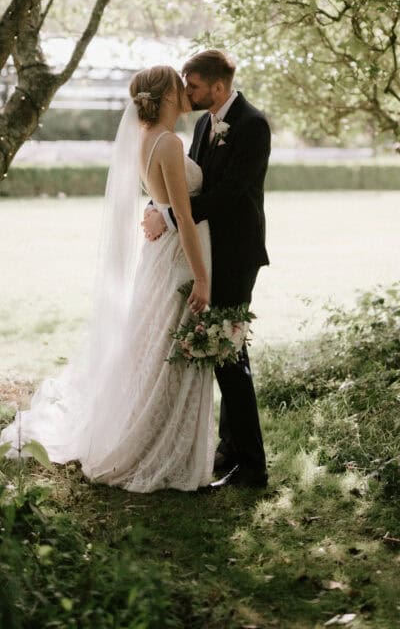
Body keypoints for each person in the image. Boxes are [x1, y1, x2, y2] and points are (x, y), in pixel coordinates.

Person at [0, 66, 215, 492]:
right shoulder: (168, 142)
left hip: (159, 255)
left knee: (154, 345)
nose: (185, 90)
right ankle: (156, 446)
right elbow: (185, 219)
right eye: (179, 84)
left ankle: (158, 433)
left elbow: (167, 206)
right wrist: (203, 280)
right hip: (176, 258)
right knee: (168, 346)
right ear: (168, 94)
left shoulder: (145, 140)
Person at [142, 49, 270, 489]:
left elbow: (231, 194)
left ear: (218, 86)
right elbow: (178, 184)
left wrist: (171, 216)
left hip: (236, 253)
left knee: (230, 354)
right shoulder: (200, 124)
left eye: (193, 85)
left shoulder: (253, 126)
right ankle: (229, 451)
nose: (186, 91)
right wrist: (158, 207)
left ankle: (252, 466)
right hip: (208, 250)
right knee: (221, 354)